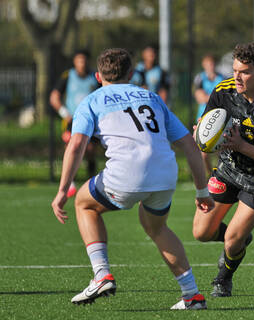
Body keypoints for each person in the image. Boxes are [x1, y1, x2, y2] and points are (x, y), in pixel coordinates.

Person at [51, 48, 214, 309]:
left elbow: (77, 145)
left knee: (84, 203)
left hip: (126, 175)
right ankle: (192, 294)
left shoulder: (93, 99)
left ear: (97, 76)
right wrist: (201, 191)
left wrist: (61, 191)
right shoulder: (152, 98)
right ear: (131, 74)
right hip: (165, 174)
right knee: (157, 227)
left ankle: (101, 273)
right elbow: (190, 146)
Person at [192, 43, 254, 297]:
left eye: (245, 71)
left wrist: (242, 146)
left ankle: (223, 278)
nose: (237, 76)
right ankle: (239, 239)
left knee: (232, 240)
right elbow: (205, 129)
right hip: (228, 169)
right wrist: (201, 135)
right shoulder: (223, 91)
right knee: (201, 232)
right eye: (235, 69)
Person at [50, 49, 100, 197]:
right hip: (73, 120)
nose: (81, 63)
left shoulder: (94, 77)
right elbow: (54, 97)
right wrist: (64, 113)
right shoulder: (68, 76)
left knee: (90, 150)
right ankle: (69, 182)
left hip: (91, 120)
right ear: (74, 62)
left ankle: (92, 181)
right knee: (71, 147)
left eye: (84, 60)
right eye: (79, 60)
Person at [193, 54, 226, 176]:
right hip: (204, 118)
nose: (210, 66)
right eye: (208, 64)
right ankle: (209, 175)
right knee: (204, 152)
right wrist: (214, 97)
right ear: (204, 65)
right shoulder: (200, 78)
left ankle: (221, 175)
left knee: (220, 150)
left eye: (212, 64)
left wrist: (208, 97)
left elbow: (224, 99)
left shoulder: (222, 78)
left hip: (220, 119)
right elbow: (200, 98)